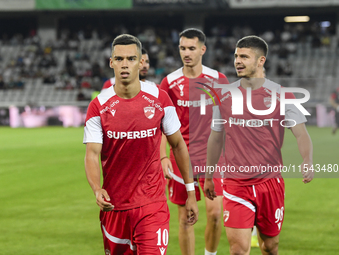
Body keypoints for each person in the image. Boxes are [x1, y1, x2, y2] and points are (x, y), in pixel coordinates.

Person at [83, 34, 198, 255]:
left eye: (131, 59)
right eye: (119, 59)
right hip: (114, 207)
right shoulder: (98, 107)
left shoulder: (160, 99)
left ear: (141, 62)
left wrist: (190, 192)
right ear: (111, 62)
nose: (125, 64)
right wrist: (97, 189)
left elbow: (178, 145)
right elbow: (92, 154)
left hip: (152, 205)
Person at [204, 35, 314, 255]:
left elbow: (301, 134)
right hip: (236, 184)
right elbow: (216, 137)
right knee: (238, 249)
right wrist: (208, 175)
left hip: (270, 184)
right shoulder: (224, 95)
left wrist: (307, 160)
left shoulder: (282, 95)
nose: (237, 61)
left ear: (261, 60)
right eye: (236, 56)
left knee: (270, 247)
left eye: (244, 56)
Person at [160, 28, 229, 255]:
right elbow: (162, 127)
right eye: (182, 48)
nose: (186, 53)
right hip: (181, 156)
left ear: (203, 49)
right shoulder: (169, 83)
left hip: (211, 157)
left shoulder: (218, 79)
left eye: (191, 48)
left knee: (215, 215)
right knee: (186, 218)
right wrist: (162, 157)